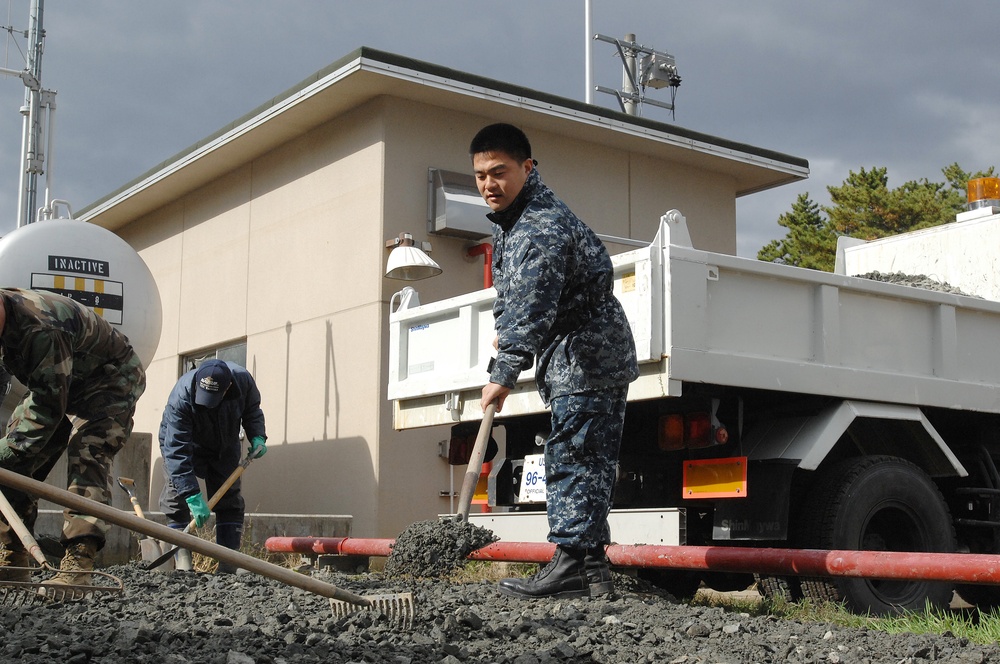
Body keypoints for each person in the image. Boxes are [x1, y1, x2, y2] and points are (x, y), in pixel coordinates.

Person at [471, 123, 639, 599]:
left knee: (575, 456)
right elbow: (513, 300)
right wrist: (506, 343)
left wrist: (503, 374)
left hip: (588, 355)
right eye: (481, 175)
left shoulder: (539, 226)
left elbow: (532, 305)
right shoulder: (515, 223)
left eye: (499, 172)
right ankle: (592, 573)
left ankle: (569, 566)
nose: (489, 185)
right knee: (585, 457)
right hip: (579, 355)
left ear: (528, 168)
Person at [0, 288, 146, 586]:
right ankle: (12, 558)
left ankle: (79, 564)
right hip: (59, 379)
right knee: (13, 463)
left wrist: (5, 452)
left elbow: (49, 406)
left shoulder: (41, 326)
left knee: (88, 451)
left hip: (110, 378)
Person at [158, 359, 266, 573]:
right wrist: (191, 493)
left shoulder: (243, 381)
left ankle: (228, 562)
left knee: (229, 497)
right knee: (176, 494)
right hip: (183, 442)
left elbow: (252, 410)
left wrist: (257, 436)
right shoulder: (181, 396)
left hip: (224, 442)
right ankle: (182, 560)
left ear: (228, 388)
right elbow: (176, 451)